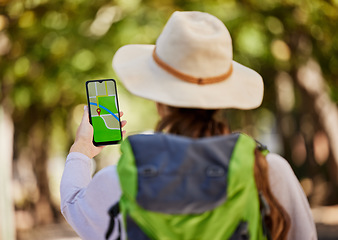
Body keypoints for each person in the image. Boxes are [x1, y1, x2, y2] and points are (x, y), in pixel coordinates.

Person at [60, 11, 317, 240]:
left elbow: (72, 204)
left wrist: (82, 148)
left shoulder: (122, 179)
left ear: (158, 99)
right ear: (223, 99)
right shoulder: (269, 172)